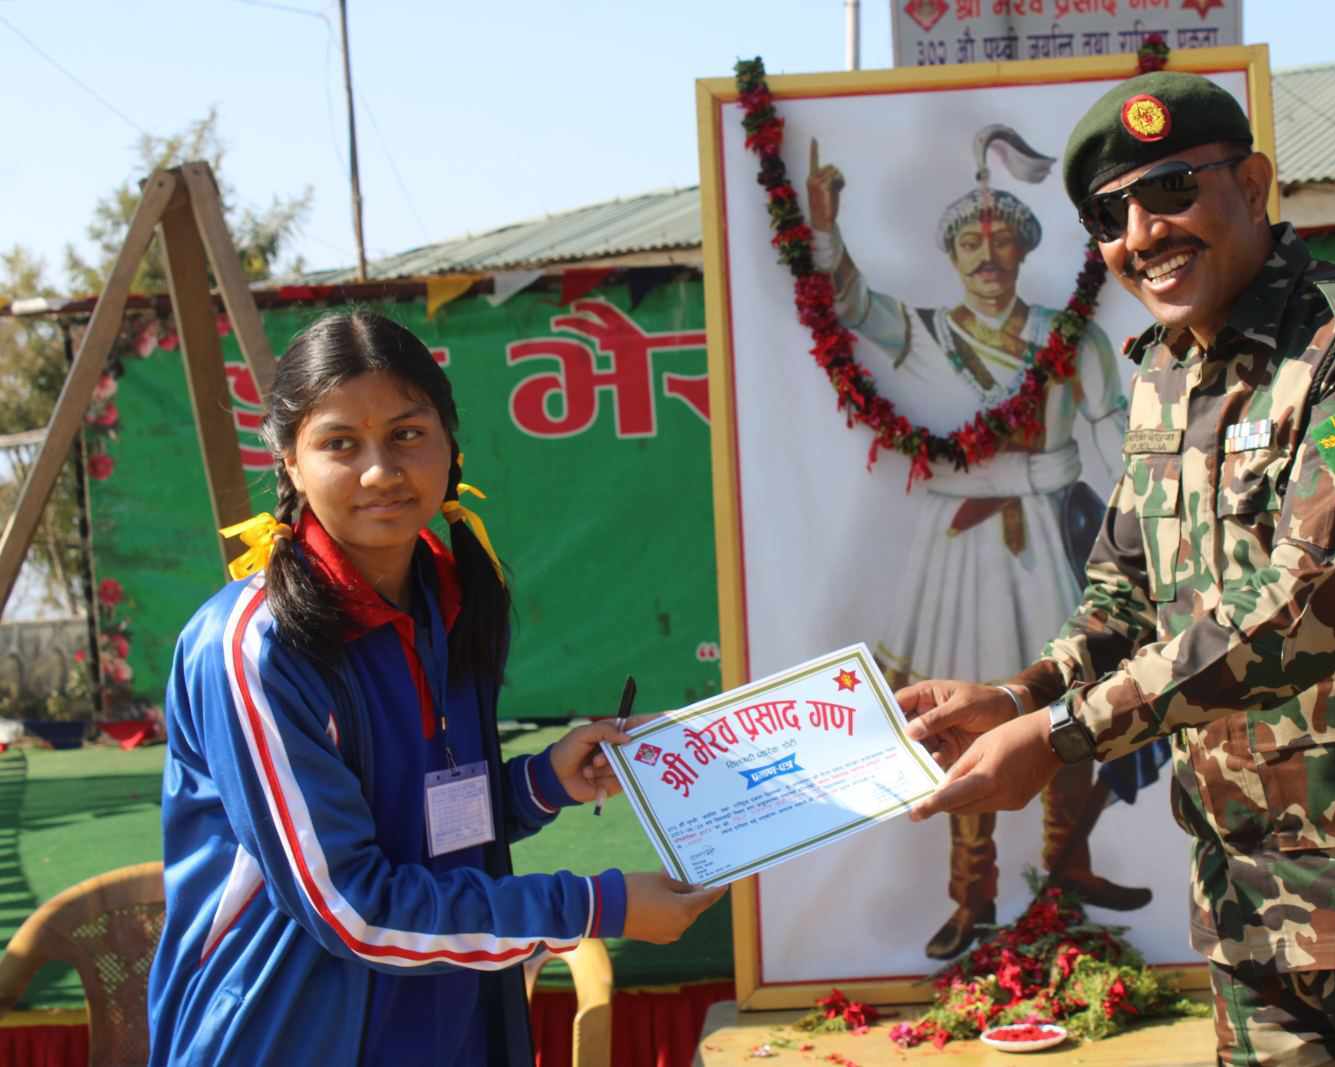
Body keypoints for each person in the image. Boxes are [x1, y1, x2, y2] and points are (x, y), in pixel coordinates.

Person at [899, 72, 1335, 1065]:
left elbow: (1294, 613)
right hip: (1254, 919)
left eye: (1170, 188)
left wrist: (1059, 735)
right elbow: (1123, 599)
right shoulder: (1168, 377)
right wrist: (1017, 693)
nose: (1142, 233)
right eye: (1109, 214)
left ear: (1252, 184)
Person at [146, 311, 724, 1067]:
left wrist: (544, 782)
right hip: (284, 1036)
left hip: (443, 1028)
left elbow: (422, 822)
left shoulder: (450, 597)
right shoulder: (255, 646)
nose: (381, 470)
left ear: (451, 447)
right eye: (340, 444)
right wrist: (598, 904)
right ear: (288, 461)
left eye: (408, 434)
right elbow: (351, 906)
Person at [807, 127, 1163, 960]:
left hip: (1052, 531)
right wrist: (825, 228)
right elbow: (851, 302)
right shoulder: (924, 331)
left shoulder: (1071, 335)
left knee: (1066, 697)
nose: (989, 252)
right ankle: (974, 895)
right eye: (972, 240)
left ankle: (1065, 871)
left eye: (1004, 238)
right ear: (954, 255)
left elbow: (1116, 439)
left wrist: (1148, 538)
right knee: (964, 717)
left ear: (1025, 250)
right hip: (961, 550)